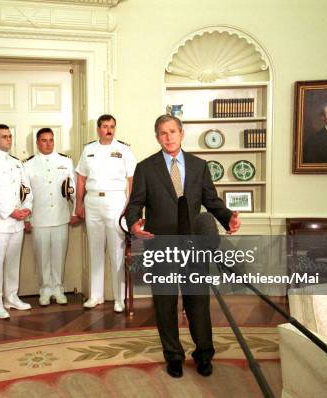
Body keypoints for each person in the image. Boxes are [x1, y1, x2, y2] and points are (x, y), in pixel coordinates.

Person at [125, 114, 240, 379]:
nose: (168, 137)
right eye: (163, 133)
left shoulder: (199, 166)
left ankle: (203, 354)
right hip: (160, 245)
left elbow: (212, 201)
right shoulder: (145, 167)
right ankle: (173, 356)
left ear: (181, 133)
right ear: (157, 137)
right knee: (165, 303)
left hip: (194, 246)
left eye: (173, 132)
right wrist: (134, 224)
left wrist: (228, 218)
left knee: (197, 301)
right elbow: (134, 205)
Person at [75, 114, 136, 312]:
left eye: (112, 127)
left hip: (115, 201)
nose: (109, 130)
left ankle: (119, 299)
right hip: (92, 201)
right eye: (105, 126)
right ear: (98, 129)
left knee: (116, 252)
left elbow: (130, 181)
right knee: (95, 249)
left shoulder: (124, 150)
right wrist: (79, 204)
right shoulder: (88, 149)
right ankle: (96, 295)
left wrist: (130, 206)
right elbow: (81, 178)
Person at [0, 124, 33, 318]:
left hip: (18, 222)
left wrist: (28, 207)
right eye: (4, 136)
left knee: (13, 262)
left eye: (10, 136)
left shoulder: (17, 163)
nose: (8, 140)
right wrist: (10, 211)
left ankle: (11, 297)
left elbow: (26, 188)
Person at [23, 128, 79, 306]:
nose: (48, 144)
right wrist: (26, 219)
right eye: (44, 140)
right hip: (38, 218)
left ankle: (58, 288)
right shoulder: (28, 164)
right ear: (37, 143)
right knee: (42, 256)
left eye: (51, 140)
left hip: (61, 216)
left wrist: (75, 212)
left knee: (59, 255)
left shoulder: (66, 161)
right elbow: (25, 193)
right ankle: (45, 289)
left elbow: (74, 190)